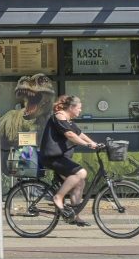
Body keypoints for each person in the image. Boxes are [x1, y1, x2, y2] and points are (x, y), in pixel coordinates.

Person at [40, 94, 101, 226]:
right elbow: (70, 134)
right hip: (53, 157)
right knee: (81, 173)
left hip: (61, 157)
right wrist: (86, 145)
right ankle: (58, 197)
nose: (80, 111)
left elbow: (79, 133)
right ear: (72, 107)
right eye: (79, 108)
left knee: (80, 183)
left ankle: (74, 216)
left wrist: (94, 143)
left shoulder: (68, 121)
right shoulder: (59, 116)